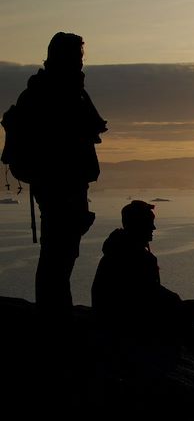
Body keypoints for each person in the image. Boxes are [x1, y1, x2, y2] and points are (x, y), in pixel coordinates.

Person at [12, 32, 108, 323]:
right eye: (77, 55)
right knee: (58, 252)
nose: (81, 61)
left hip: (63, 181)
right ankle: (54, 318)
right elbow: (70, 135)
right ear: (64, 56)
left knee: (61, 251)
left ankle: (55, 315)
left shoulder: (58, 88)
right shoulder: (57, 90)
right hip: (59, 182)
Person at [92, 201, 194, 342]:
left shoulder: (116, 248)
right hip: (129, 320)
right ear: (138, 225)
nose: (153, 227)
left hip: (110, 316)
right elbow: (146, 294)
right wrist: (174, 300)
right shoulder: (136, 255)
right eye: (149, 223)